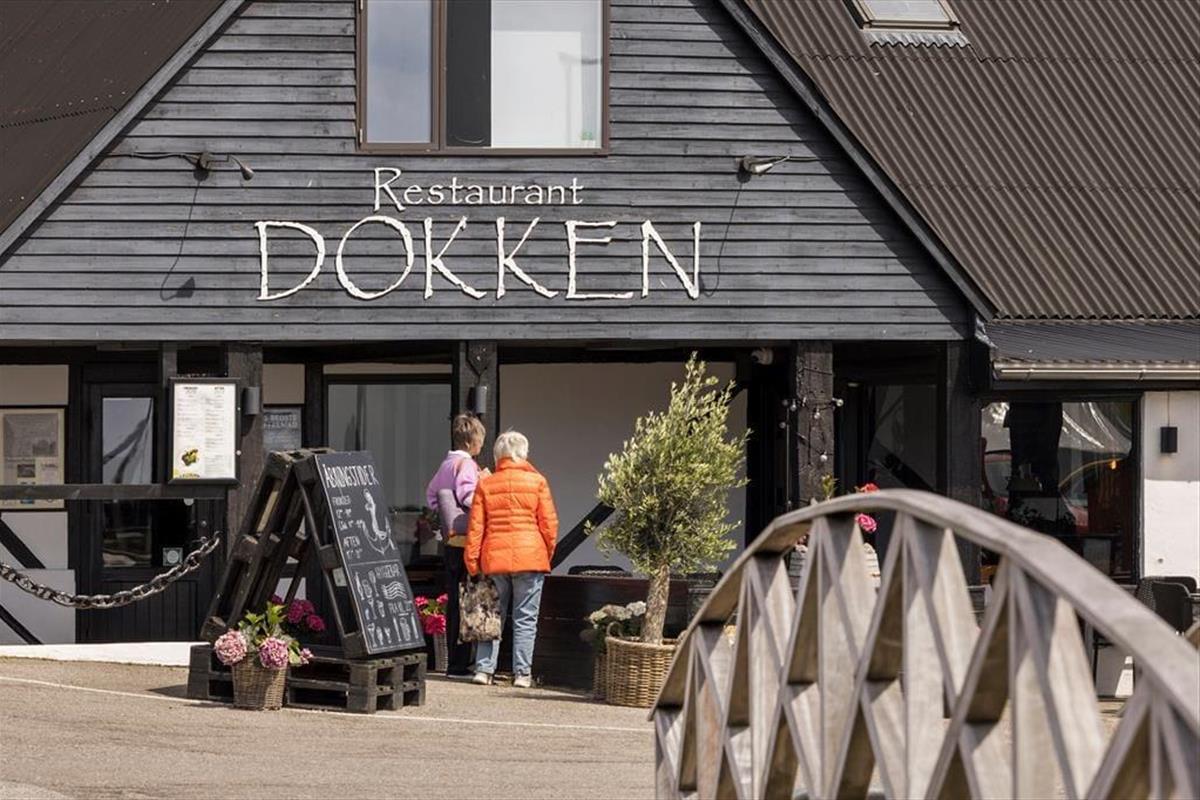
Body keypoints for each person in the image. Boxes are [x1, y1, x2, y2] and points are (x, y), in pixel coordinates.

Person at [465, 430, 558, 688]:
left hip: (494, 558)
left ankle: (483, 670)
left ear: (498, 455)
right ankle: (522, 675)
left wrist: (472, 562)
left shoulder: (486, 484)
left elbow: (476, 527)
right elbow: (549, 525)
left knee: (489, 615)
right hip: (530, 556)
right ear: (524, 453)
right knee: (525, 619)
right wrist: (546, 553)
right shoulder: (538, 481)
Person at [426, 413, 488, 680]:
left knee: (453, 599)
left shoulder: (445, 465)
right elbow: (468, 496)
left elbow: (431, 495)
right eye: (480, 441)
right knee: (470, 599)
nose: (481, 446)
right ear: (472, 442)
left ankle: (454, 662)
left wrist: (445, 512)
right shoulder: (467, 465)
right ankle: (462, 663)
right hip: (467, 540)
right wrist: (486, 485)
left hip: (450, 540)